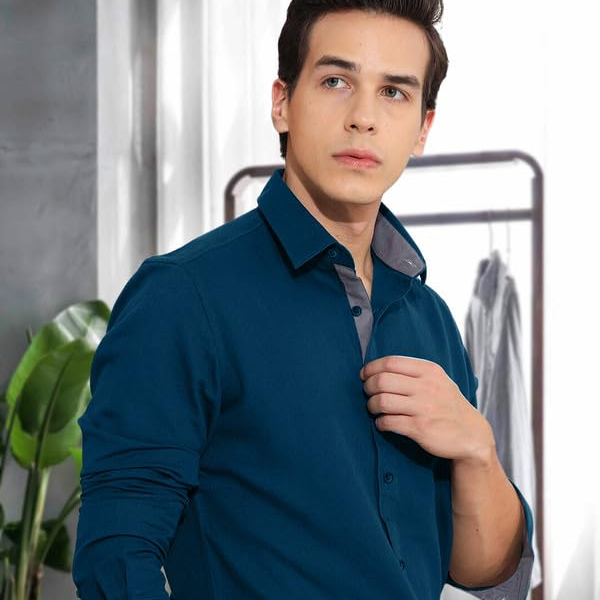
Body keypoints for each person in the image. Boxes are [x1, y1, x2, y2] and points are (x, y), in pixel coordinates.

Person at [72, 1, 535, 599]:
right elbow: (116, 557)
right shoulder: (182, 298)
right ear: (282, 103)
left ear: (423, 128)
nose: (363, 118)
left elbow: (483, 571)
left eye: (394, 92)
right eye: (336, 81)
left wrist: (477, 449)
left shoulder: (432, 319)